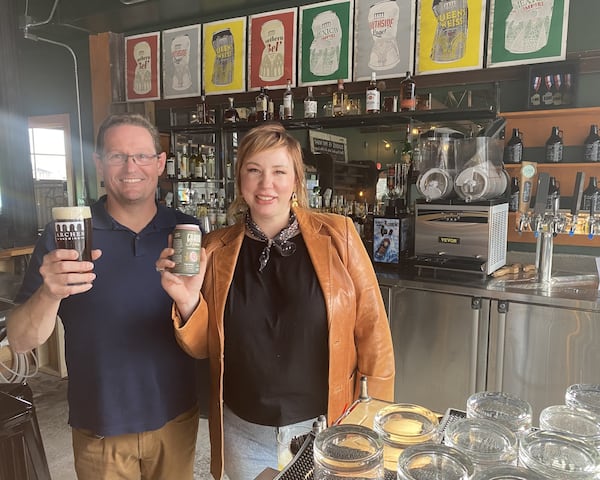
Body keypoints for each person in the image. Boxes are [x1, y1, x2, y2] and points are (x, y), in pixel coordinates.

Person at [156, 122, 395, 480]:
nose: (266, 184)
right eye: (254, 170)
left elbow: (374, 335)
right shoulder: (215, 249)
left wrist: (372, 421)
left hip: (326, 429)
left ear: (297, 180)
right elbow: (204, 348)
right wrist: (189, 304)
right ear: (240, 180)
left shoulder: (339, 235)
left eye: (279, 172)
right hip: (244, 434)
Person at [7, 113, 201, 480]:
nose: (131, 167)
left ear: (160, 164)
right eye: (117, 156)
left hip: (175, 419)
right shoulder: (66, 236)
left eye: (143, 156)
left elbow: (206, 333)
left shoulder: (186, 232)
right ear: (99, 164)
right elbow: (20, 340)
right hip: (100, 425)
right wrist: (49, 293)